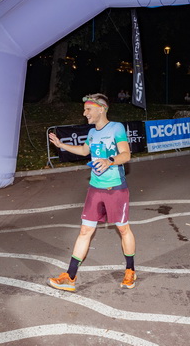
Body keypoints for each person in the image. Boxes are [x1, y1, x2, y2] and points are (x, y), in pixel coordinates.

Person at [47, 93, 136, 292]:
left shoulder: (116, 128)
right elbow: (84, 151)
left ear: (101, 109)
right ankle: (70, 276)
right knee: (85, 231)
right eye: (85, 109)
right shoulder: (92, 132)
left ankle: (130, 270)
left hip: (115, 188)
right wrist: (61, 145)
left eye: (88, 109)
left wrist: (109, 161)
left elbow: (126, 154)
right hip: (95, 188)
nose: (84, 113)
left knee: (123, 229)